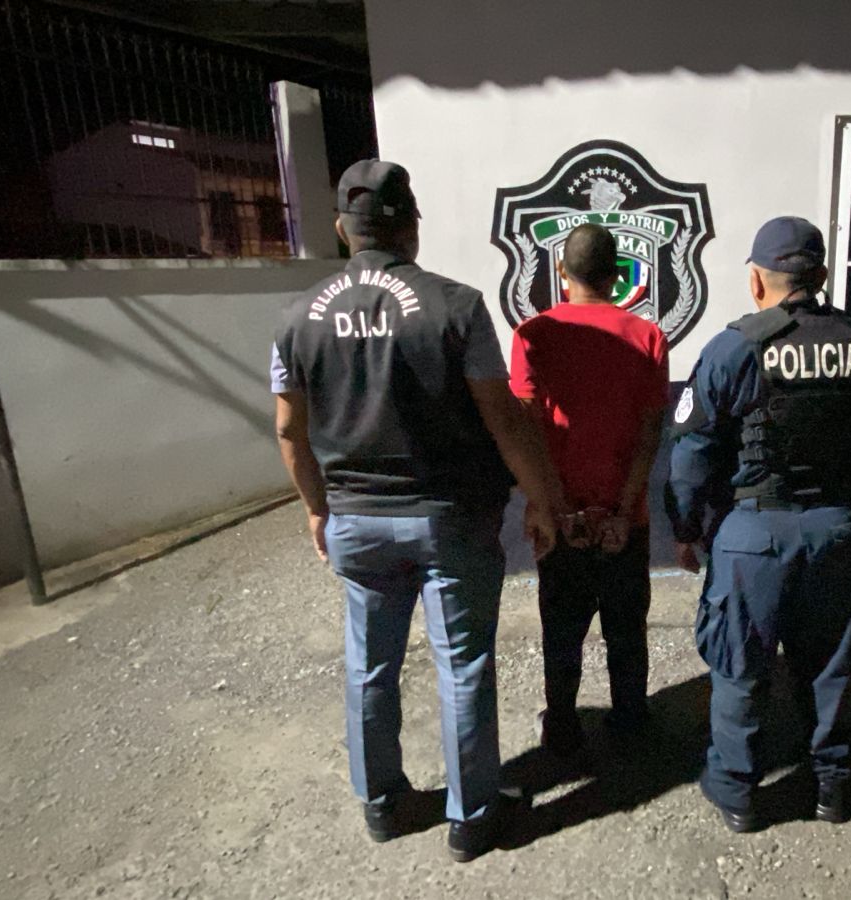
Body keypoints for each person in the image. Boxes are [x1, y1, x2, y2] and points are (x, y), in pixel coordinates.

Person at [272, 160, 564, 863]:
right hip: (447, 517)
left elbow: (288, 428)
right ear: (411, 227)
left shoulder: (296, 319)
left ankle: (382, 805)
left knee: (369, 665)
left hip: (356, 518)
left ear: (342, 229)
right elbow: (502, 417)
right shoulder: (456, 307)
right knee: (462, 667)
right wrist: (542, 498)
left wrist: (316, 509)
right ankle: (472, 819)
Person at [665, 216, 851, 832]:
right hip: (836, 530)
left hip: (754, 533)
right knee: (830, 666)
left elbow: (691, 456)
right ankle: (832, 785)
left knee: (740, 665)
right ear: (822, 275)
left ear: (757, 281)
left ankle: (737, 793)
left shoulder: (734, 348)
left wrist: (686, 529)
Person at [508, 223, 670, 756]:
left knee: (561, 631)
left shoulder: (532, 334)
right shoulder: (647, 336)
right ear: (617, 275)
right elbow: (650, 433)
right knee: (627, 629)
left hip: (561, 520)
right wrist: (622, 512)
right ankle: (630, 723)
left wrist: (555, 508)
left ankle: (561, 727)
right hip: (627, 518)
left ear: (561, 271)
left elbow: (528, 426)